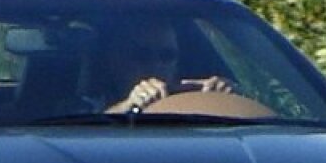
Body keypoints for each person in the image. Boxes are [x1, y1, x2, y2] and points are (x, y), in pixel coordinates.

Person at [99, 19, 234, 112]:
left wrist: (231, 97)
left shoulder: (194, 105)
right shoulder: (85, 102)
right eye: (143, 56)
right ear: (114, 61)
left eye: (167, 56)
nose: (156, 66)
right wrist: (127, 107)